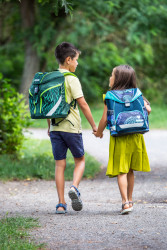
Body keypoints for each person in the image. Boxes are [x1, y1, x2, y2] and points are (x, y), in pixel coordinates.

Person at [94, 65, 151, 215]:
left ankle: (124, 202)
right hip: (135, 137)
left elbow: (104, 119)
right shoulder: (137, 93)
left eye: (112, 75)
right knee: (130, 170)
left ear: (118, 79)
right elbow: (148, 110)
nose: (110, 78)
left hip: (119, 138)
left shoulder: (110, 96)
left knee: (121, 171)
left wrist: (99, 132)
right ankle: (130, 201)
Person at [47, 42, 97, 214]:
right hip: (72, 127)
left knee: (59, 165)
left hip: (55, 128)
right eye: (76, 60)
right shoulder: (71, 78)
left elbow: (48, 106)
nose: (77, 63)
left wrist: (49, 127)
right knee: (80, 160)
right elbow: (82, 104)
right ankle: (74, 188)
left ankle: (61, 204)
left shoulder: (50, 78)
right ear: (68, 60)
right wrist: (94, 125)